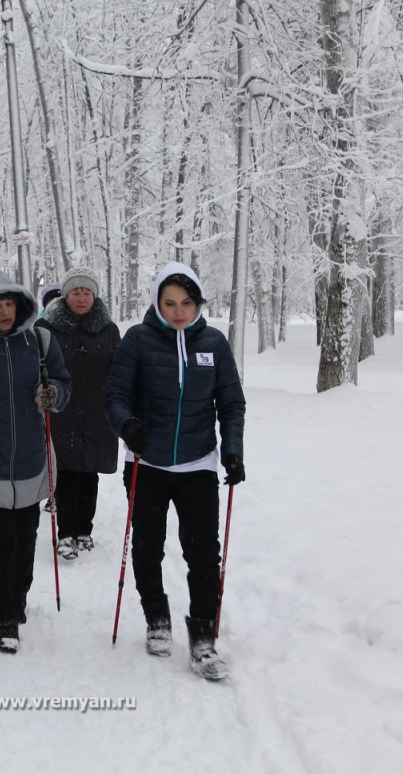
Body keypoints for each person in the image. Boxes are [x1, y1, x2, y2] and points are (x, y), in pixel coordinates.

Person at [105, 261, 245, 681]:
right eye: (169, 303)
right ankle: (157, 619)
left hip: (199, 462)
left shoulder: (215, 343)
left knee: (203, 552)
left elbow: (231, 403)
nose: (178, 311)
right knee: (147, 546)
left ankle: (203, 636)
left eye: (187, 303)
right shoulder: (138, 340)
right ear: (156, 303)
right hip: (147, 461)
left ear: (199, 303)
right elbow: (115, 396)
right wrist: (127, 426)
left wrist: (233, 451)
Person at [0, 270, 71, 654]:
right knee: (0, 541)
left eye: (9, 304)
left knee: (26, 539)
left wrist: (54, 393)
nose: (4, 312)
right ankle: (5, 616)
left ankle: (17, 598)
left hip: (32, 457)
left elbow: (63, 383)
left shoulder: (40, 340)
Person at [35, 266, 121, 560]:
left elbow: (119, 368)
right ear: (66, 295)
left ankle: (84, 529)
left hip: (97, 412)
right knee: (64, 474)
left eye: (86, 292)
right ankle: (65, 533)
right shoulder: (46, 328)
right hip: (62, 411)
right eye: (76, 292)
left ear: (94, 295)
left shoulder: (108, 329)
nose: (81, 298)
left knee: (89, 475)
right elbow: (36, 367)